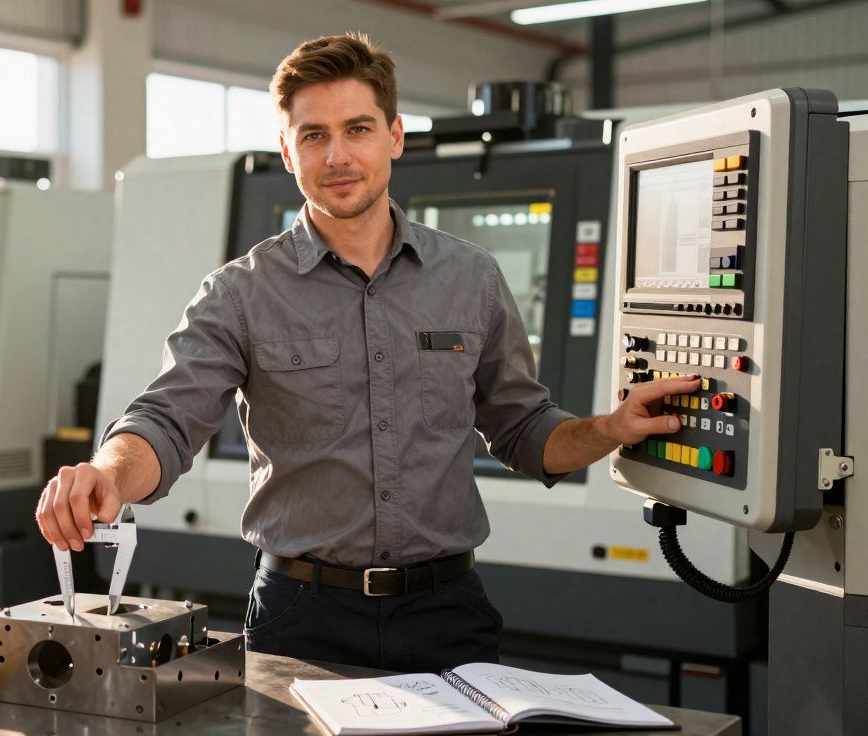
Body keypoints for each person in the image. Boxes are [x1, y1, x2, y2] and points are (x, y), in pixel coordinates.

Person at [35, 32, 698, 673]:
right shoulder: (241, 293)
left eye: (357, 128)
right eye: (313, 135)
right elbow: (166, 420)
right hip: (302, 616)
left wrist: (611, 429)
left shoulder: (471, 279)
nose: (337, 156)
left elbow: (526, 431)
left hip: (447, 613)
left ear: (395, 135)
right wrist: (106, 476)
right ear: (288, 153)